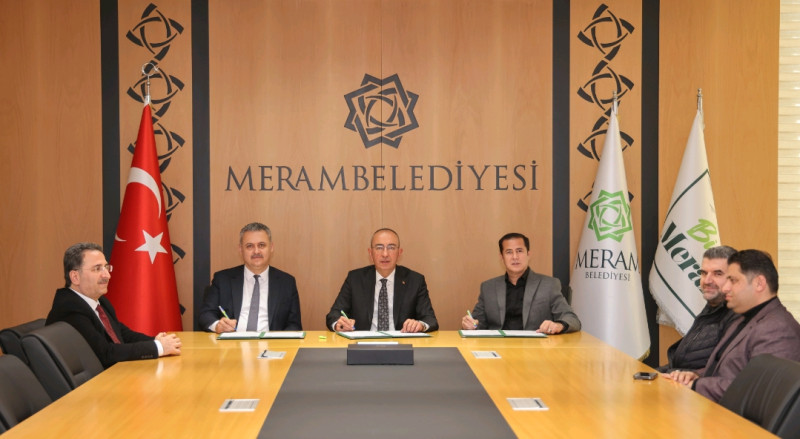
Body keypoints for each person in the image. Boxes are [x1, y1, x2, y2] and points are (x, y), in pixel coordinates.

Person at [664, 249, 800, 402]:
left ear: (759, 283)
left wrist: (696, 385)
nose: (725, 288)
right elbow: (725, 370)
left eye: (733, 280)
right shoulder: (743, 318)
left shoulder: (777, 329)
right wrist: (695, 375)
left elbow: (758, 390)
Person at [46, 242, 181, 369]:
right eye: (97, 269)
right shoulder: (70, 309)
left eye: (106, 267)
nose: (107, 275)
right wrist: (157, 347)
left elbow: (121, 333)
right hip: (94, 384)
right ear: (75, 277)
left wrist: (156, 341)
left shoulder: (100, 302)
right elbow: (105, 353)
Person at [461, 233, 580, 334]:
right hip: (498, 347)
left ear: (528, 254)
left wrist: (558, 325)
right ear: (502, 257)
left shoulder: (549, 285)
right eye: (509, 252)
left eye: (519, 251)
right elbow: (478, 322)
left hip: (535, 348)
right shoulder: (488, 287)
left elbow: (572, 319)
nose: (515, 257)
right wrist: (471, 324)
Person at [326, 228, 438, 333]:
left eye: (391, 248)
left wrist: (420, 325)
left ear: (399, 252)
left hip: (402, 343)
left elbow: (430, 319)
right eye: (379, 248)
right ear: (370, 253)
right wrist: (339, 324)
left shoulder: (415, 280)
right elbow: (334, 314)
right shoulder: (355, 279)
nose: (385, 254)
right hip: (363, 343)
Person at [197, 222, 302, 333]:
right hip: (232, 342)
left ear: (271, 247)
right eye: (249, 246)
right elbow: (205, 315)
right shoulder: (222, 279)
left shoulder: (287, 283)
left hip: (271, 342)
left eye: (261, 245)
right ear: (240, 249)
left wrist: (277, 340)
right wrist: (218, 326)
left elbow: (294, 325)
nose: (256, 251)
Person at [656, 246, 738, 373]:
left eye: (717, 274)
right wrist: (656, 373)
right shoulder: (711, 307)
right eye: (704, 273)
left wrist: (670, 375)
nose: (707, 281)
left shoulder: (737, 315)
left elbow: (724, 372)